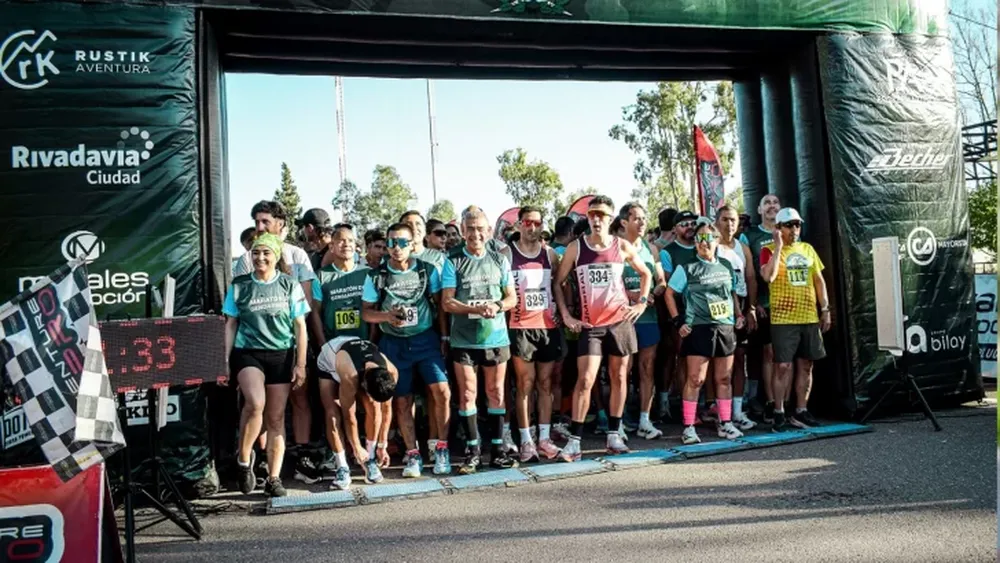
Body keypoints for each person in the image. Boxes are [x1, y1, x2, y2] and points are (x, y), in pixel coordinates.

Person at [553, 195, 651, 462]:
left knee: (620, 378)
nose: (596, 219)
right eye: (592, 214)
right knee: (586, 380)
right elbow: (558, 282)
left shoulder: (622, 246)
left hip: (619, 322)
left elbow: (646, 274)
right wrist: (566, 315)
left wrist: (641, 303)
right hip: (591, 325)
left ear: (611, 220)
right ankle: (574, 441)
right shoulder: (576, 248)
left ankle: (614, 434)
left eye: (602, 215)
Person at [232, 201, 320, 481]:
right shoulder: (248, 257)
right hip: (252, 347)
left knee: (294, 400)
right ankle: (257, 460)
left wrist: (306, 352)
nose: (259, 227)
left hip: (289, 344)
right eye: (256, 222)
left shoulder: (299, 256)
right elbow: (242, 301)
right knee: (258, 404)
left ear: (281, 223)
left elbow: (306, 306)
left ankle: (302, 455)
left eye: (265, 222)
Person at [361, 223, 452, 477]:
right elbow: (366, 312)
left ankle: (441, 448)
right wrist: (386, 317)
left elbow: (439, 305)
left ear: (412, 244)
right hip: (393, 343)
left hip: (425, 340)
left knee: (441, 392)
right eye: (391, 243)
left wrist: (444, 335)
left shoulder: (426, 270)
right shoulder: (376, 275)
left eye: (402, 242)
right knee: (402, 400)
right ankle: (413, 455)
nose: (396, 248)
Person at [224, 233, 310, 498]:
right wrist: (224, 362)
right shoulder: (239, 285)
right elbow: (230, 324)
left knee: (275, 418)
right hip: (248, 352)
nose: (260, 258)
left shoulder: (289, 285)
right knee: (255, 403)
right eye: (256, 253)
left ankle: (273, 478)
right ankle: (243, 458)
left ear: (276, 257)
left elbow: (300, 326)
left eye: (266, 253)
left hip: (281, 355)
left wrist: (301, 364)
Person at [441, 208, 519, 473]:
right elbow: (447, 302)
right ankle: (472, 451)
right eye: (470, 228)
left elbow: (512, 298)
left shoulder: (500, 260)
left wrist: (496, 306)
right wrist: (475, 310)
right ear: (463, 231)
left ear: (488, 231)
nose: (475, 233)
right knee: (467, 394)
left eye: (480, 228)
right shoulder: (452, 260)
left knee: (496, 392)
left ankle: (497, 450)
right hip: (464, 339)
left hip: (495, 337)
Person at [665, 218, 745, 444]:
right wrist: (677, 321)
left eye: (708, 238)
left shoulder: (726, 265)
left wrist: (738, 315)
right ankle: (689, 427)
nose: (703, 243)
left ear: (716, 240)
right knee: (695, 379)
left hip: (725, 327)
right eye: (699, 239)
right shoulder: (687, 267)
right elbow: (670, 294)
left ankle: (726, 423)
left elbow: (732, 294)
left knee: (724, 378)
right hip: (699, 328)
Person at [760, 207, 829, 431]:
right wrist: (779, 246)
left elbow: (819, 280)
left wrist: (825, 308)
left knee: (807, 365)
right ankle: (779, 411)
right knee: (783, 366)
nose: (794, 229)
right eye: (789, 225)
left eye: (797, 225)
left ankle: (801, 410)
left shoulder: (807, 249)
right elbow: (768, 277)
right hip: (783, 318)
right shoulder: (767, 250)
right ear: (778, 228)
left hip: (808, 315)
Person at [313, 224, 373, 480]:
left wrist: (372, 342)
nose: (346, 244)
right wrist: (321, 343)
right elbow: (314, 312)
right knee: (333, 409)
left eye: (350, 240)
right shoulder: (321, 276)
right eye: (340, 241)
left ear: (356, 245)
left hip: (361, 349)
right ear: (332, 246)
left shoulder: (367, 274)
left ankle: (369, 458)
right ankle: (341, 464)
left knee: (369, 404)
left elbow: (373, 311)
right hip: (330, 351)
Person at [507, 206, 566, 462]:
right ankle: (526, 440)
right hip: (519, 328)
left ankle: (544, 438)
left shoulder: (550, 255)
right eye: (527, 223)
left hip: (547, 326)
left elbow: (559, 285)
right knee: (524, 384)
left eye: (537, 223)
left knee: (545, 383)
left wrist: (562, 311)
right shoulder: (506, 254)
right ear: (519, 225)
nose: (532, 228)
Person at [315, 336, 397, 489]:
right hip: (331, 362)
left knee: (374, 405)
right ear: (364, 385)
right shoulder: (350, 376)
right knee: (333, 414)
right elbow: (349, 416)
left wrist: (382, 445)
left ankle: (370, 458)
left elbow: (386, 409)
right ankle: (342, 466)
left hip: (359, 361)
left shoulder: (391, 371)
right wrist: (357, 448)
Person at [619, 202, 666, 440]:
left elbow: (661, 282)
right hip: (623, 319)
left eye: (644, 218)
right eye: (636, 218)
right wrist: (630, 296)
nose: (642, 222)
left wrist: (649, 295)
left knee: (647, 369)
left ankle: (644, 421)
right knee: (622, 372)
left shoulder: (652, 249)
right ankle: (618, 422)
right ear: (624, 222)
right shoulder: (615, 248)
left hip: (647, 317)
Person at [715, 206, 758, 430]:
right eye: (725, 220)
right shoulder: (712, 246)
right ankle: (717, 411)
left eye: (733, 220)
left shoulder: (743, 247)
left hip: (740, 305)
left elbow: (751, 278)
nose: (729, 224)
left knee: (740, 360)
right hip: (718, 309)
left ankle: (737, 411)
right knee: (719, 363)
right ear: (717, 222)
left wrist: (750, 308)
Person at [740, 194, 780, 421]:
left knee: (783, 357)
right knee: (766, 354)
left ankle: (783, 403)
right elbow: (749, 274)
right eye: (767, 202)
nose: (771, 206)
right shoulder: (749, 236)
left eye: (775, 202)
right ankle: (767, 402)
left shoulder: (789, 231)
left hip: (788, 304)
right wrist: (753, 305)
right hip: (763, 304)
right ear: (759, 209)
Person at [659, 210, 698, 420]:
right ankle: (665, 402)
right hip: (677, 316)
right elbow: (667, 288)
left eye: (693, 223)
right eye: (684, 224)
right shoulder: (668, 252)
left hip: (701, 315)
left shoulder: (703, 247)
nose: (690, 227)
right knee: (673, 359)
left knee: (692, 361)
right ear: (674, 229)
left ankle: (692, 405)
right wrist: (674, 318)